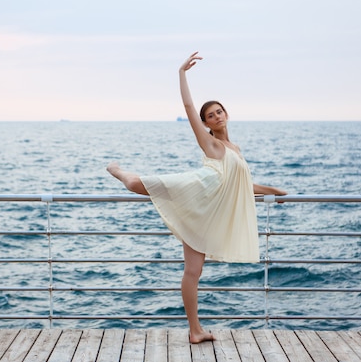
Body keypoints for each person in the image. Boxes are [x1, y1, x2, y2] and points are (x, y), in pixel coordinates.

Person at [106, 51, 287, 344]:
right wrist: (182, 73)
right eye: (210, 115)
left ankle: (195, 331)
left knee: (194, 270)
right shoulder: (210, 142)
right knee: (139, 184)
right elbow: (189, 106)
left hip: (208, 209)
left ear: (226, 114)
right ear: (206, 123)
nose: (216, 116)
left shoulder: (235, 148)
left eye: (219, 111)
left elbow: (240, 185)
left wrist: (274, 191)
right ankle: (117, 170)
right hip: (197, 191)